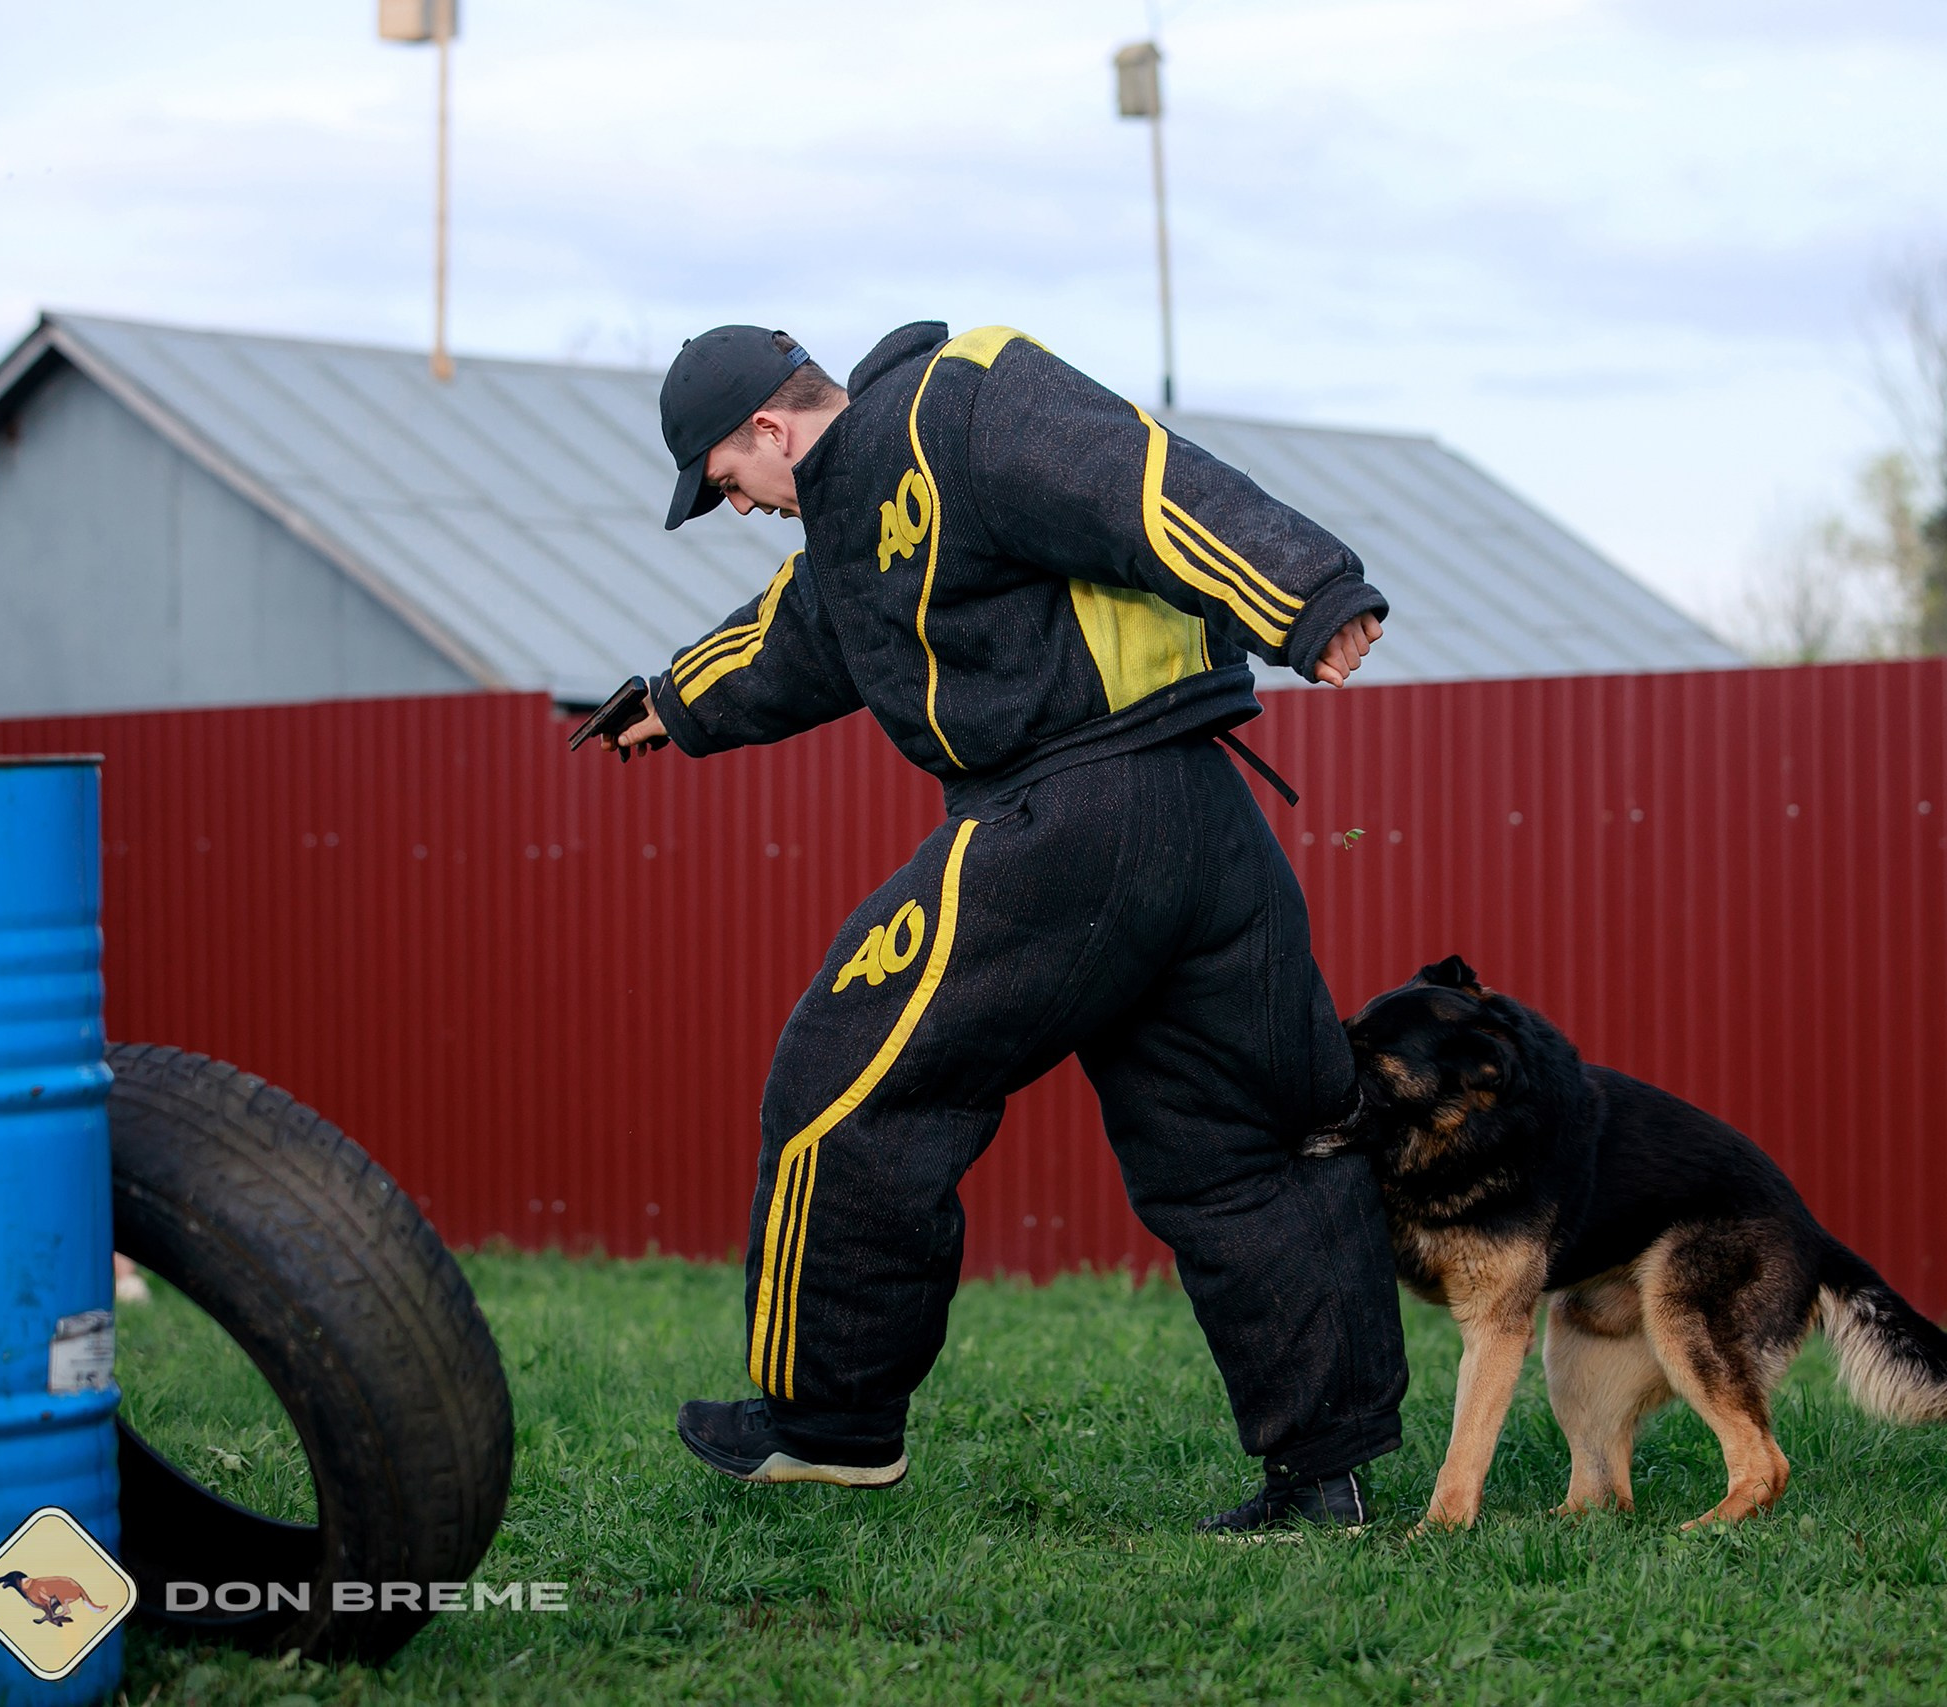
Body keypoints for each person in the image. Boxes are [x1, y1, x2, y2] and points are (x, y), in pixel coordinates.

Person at [602, 319, 1405, 1533]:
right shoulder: (856, 520)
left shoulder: (953, 397)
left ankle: (829, 1428)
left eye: (724, 484)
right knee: (1249, 1140)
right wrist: (674, 702)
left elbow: (1130, 475)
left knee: (842, 1085)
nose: (741, 508)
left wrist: (1306, 592)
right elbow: (797, 635)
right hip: (1203, 823)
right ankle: (1322, 1475)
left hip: (1069, 818)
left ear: (767, 427)